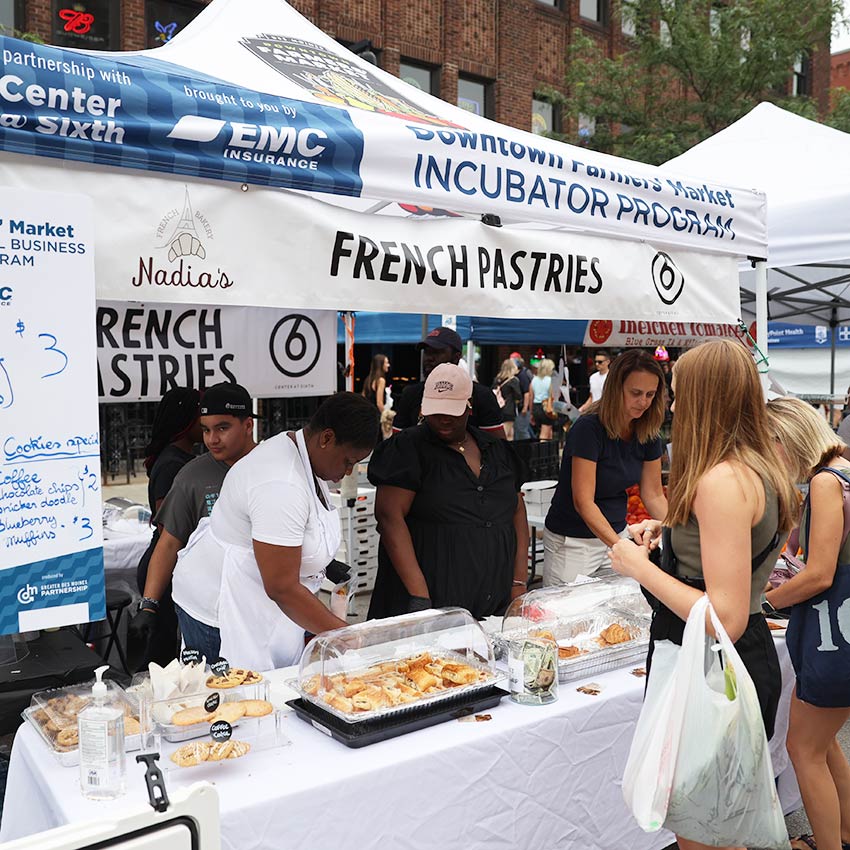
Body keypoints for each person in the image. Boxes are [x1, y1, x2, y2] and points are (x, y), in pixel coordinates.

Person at [608, 340, 797, 850]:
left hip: (712, 666)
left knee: (703, 834)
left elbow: (726, 616)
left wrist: (637, 567)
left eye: (679, 391)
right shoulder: (759, 466)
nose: (671, 404)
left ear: (705, 398)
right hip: (724, 661)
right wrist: (667, 531)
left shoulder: (721, 480)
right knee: (718, 827)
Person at [212, 393, 380, 671]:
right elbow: (281, 586)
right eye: (348, 461)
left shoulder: (308, 457)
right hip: (232, 613)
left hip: (274, 614)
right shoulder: (281, 482)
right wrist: (345, 636)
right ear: (326, 439)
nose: (349, 472)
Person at [367, 363, 529, 620]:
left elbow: (517, 511)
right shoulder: (407, 449)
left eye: (452, 411)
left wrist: (518, 583)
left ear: (469, 405)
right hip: (431, 599)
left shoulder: (497, 451)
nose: (444, 418)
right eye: (436, 411)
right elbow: (389, 518)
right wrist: (419, 595)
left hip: (493, 599)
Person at [764, 397, 850, 850]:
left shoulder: (824, 480)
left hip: (832, 638)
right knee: (824, 743)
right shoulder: (845, 470)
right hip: (841, 632)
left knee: (804, 749)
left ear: (786, 439)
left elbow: (821, 573)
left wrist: (766, 601)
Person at [129, 383, 257, 665]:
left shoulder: (272, 466)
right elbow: (169, 541)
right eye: (206, 429)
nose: (212, 439)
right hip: (206, 615)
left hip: (265, 609)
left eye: (222, 428)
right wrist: (149, 605)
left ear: (248, 425)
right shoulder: (192, 477)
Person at [543, 350, 667, 586]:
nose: (644, 402)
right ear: (615, 389)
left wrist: (677, 531)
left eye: (650, 395)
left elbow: (653, 494)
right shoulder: (588, 429)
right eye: (636, 393)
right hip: (572, 542)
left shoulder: (649, 433)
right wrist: (620, 546)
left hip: (616, 533)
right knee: (567, 615)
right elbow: (583, 501)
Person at [134, 387, 202, 667]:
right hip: (164, 569)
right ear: (186, 421)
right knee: (161, 658)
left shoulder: (186, 458)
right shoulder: (171, 464)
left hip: (174, 567)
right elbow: (169, 531)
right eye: (201, 418)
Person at [392, 327, 505, 437]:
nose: (429, 358)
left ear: (456, 357)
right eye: (427, 352)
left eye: (436, 352)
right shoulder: (411, 394)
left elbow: (498, 448)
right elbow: (395, 445)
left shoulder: (481, 396)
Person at [491, 358, 523, 440]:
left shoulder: (497, 379)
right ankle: (501, 451)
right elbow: (518, 395)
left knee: (510, 433)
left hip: (499, 408)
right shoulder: (513, 380)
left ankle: (508, 451)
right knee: (505, 434)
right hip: (509, 409)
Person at [529, 357, 556, 441]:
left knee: (547, 430)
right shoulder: (551, 380)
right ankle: (543, 452)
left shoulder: (534, 380)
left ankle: (550, 451)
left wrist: (531, 412)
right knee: (545, 432)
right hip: (547, 407)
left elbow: (531, 396)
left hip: (536, 406)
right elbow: (553, 396)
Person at [512, 353, 534, 440]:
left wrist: (525, 407)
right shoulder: (519, 375)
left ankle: (528, 448)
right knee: (521, 428)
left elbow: (526, 392)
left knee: (522, 429)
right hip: (520, 407)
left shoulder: (522, 375)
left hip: (522, 408)